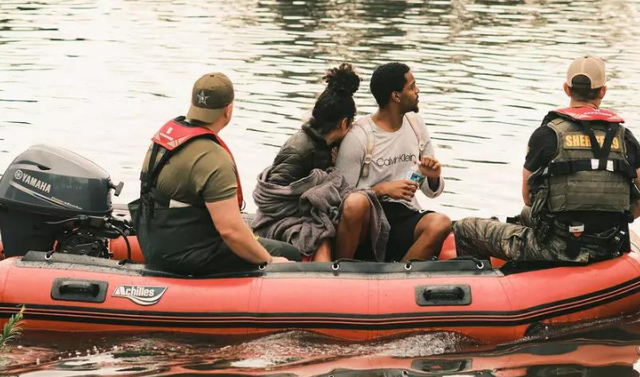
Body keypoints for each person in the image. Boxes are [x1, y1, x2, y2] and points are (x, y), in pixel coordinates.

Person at [453, 57, 640, 264]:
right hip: (608, 243)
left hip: (558, 248)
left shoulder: (547, 134)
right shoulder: (625, 137)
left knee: (465, 228)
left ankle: (487, 287)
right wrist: (608, 226)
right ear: (603, 91)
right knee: (524, 215)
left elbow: (528, 197)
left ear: (567, 89)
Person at [131, 72, 299, 276]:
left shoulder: (165, 140)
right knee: (289, 253)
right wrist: (270, 260)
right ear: (228, 110)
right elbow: (230, 231)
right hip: (186, 257)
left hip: (157, 244)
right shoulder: (213, 158)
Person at [251, 64, 387, 262]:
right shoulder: (297, 149)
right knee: (320, 239)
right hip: (281, 219)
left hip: (310, 213)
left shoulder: (327, 145)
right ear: (343, 123)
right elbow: (272, 200)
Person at [332, 62, 451, 262]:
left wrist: (433, 177)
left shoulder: (416, 125)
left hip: (404, 214)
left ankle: (399, 277)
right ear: (396, 96)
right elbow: (340, 197)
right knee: (355, 202)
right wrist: (383, 190)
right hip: (368, 220)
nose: (417, 90)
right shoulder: (360, 136)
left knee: (441, 223)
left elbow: (431, 192)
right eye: (412, 87)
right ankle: (342, 270)